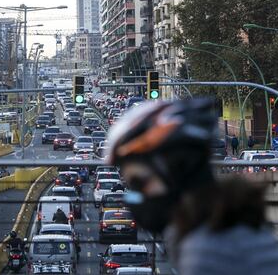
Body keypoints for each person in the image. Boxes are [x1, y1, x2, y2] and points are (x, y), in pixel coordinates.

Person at [107, 99, 278, 275]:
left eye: (139, 183)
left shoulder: (208, 252)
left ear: (177, 170)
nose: (133, 197)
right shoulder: (233, 227)